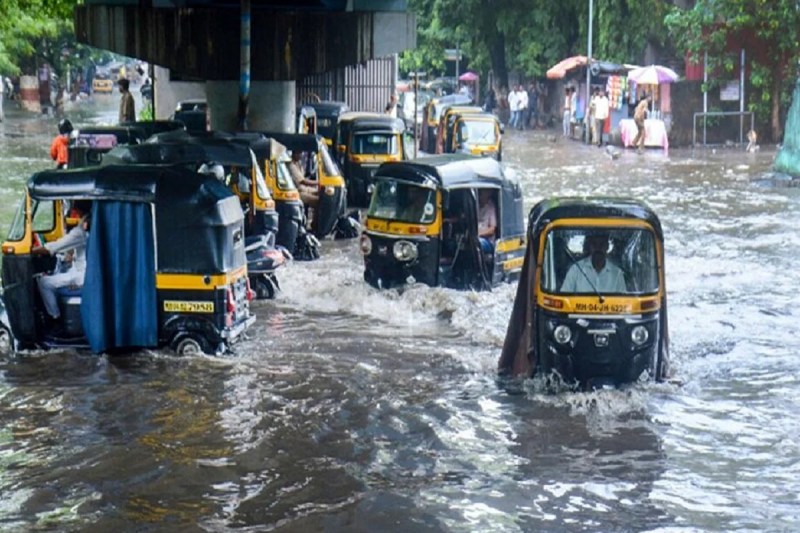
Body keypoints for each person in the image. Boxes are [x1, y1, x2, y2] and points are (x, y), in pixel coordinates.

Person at [32, 206, 91, 330]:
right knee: (58, 271)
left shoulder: (79, 232)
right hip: (84, 271)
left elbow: (54, 247)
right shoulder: (92, 227)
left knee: (44, 282)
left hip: (82, 275)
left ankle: (55, 318)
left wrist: (31, 250)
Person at [560, 234, 626, 293]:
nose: (598, 248)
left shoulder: (617, 274)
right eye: (594, 244)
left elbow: (624, 302)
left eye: (601, 244)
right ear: (589, 247)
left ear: (607, 246)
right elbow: (564, 295)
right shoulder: (575, 270)